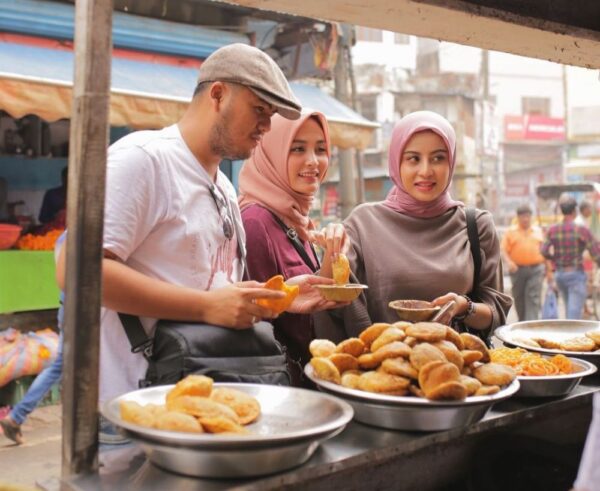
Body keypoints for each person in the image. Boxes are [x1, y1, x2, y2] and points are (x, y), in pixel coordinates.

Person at [56, 43, 335, 442]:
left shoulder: (223, 186)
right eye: (259, 110)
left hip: (201, 409)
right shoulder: (143, 160)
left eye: (271, 116)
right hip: (132, 417)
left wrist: (283, 297)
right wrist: (207, 307)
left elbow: (213, 291)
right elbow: (75, 270)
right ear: (218, 94)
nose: (267, 126)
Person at [317, 111, 511, 339]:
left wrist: (464, 307)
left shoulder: (476, 225)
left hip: (457, 368)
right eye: (413, 159)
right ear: (396, 162)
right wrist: (331, 252)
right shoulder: (363, 224)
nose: (426, 171)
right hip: (383, 367)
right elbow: (333, 303)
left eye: (438, 158)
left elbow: (496, 314)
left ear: (451, 161)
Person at [238, 111, 347, 385]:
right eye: (297, 149)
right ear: (271, 154)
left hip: (305, 382)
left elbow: (304, 303)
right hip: (277, 389)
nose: (313, 161)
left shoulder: (295, 219)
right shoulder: (256, 222)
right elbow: (257, 322)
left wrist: (332, 260)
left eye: (320, 149)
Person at [0, 232, 66, 445]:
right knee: (62, 365)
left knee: (61, 365)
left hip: (67, 308)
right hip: (79, 310)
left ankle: (17, 416)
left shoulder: (63, 238)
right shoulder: (84, 236)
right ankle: (17, 416)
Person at [542, 196, 600, 319]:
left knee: (569, 310)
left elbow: (543, 250)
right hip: (575, 275)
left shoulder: (553, 229)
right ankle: (571, 337)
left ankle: (567, 335)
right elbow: (596, 253)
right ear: (574, 211)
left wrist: (555, 258)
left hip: (560, 275)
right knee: (574, 315)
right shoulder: (581, 230)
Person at [500, 204, 546, 321]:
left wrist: (549, 271)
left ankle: (531, 325)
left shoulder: (538, 231)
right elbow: (503, 250)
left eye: (528, 216)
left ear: (531, 217)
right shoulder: (510, 232)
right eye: (523, 216)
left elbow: (545, 251)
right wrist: (509, 262)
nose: (525, 219)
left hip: (536, 269)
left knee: (533, 298)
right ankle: (522, 323)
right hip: (517, 270)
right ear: (518, 217)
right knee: (519, 298)